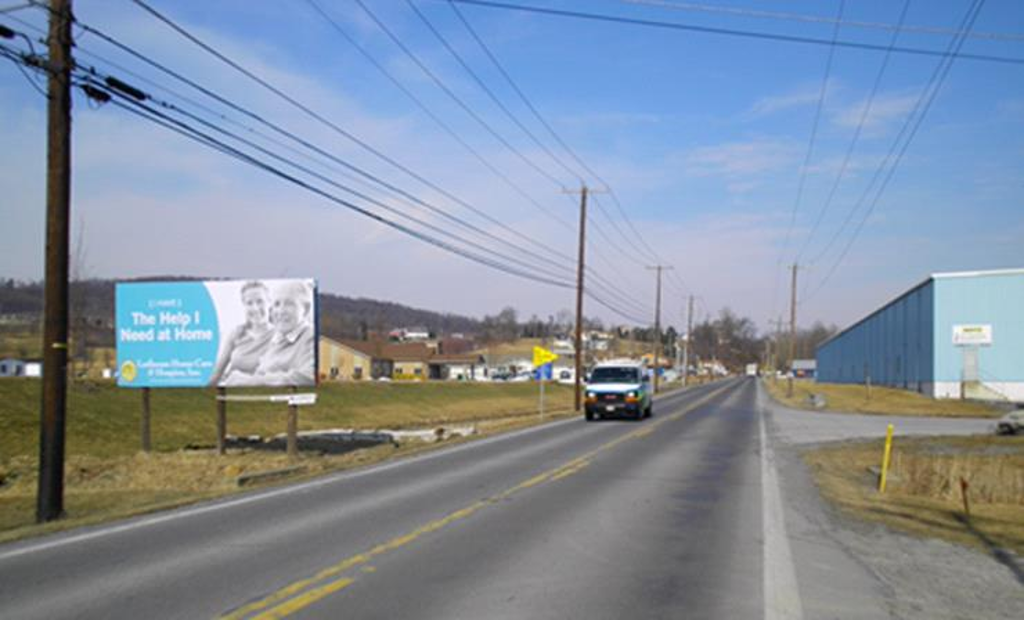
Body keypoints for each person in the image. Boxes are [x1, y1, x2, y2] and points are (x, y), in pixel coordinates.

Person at [223, 280, 315, 387]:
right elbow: (260, 374)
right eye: (276, 304)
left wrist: (250, 381)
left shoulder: (310, 337)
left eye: (289, 303)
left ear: (306, 309)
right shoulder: (279, 338)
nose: (281, 311)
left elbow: (307, 377)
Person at [210, 281, 273, 386]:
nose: (255, 308)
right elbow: (217, 374)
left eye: (260, 301)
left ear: (269, 302)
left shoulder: (280, 335)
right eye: (249, 303)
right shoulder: (237, 333)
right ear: (244, 305)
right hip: (230, 393)